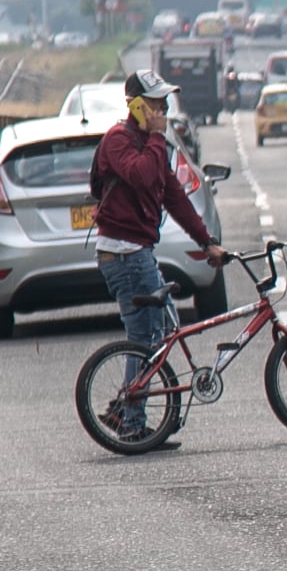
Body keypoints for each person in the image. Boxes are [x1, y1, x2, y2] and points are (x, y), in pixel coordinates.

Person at [89, 70, 227, 441]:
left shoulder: (148, 144)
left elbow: (173, 195)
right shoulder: (119, 141)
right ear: (135, 106)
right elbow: (142, 177)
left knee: (158, 332)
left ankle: (126, 412)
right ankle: (132, 424)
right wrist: (154, 136)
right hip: (124, 256)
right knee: (145, 335)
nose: (163, 110)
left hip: (138, 253)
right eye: (155, 104)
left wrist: (206, 241)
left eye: (165, 104)